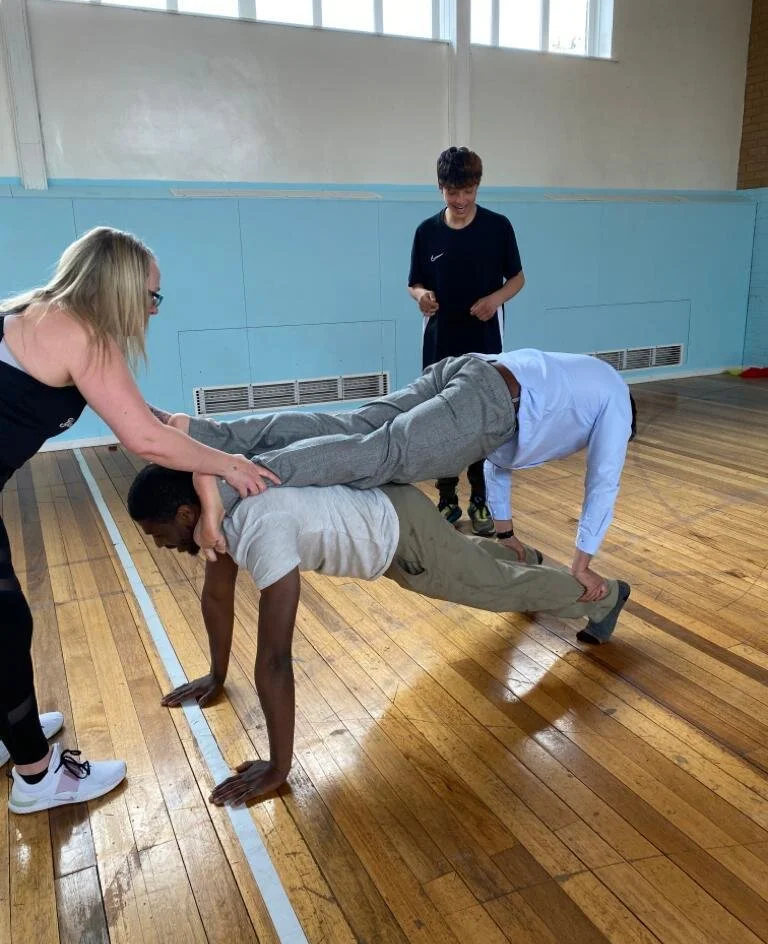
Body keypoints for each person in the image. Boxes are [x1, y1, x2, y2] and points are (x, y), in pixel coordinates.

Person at [127, 464, 631, 805]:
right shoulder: (225, 504)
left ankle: (606, 597)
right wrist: (215, 675)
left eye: (157, 533)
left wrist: (279, 768)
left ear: (187, 514)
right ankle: (526, 560)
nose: (161, 544)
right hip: (389, 511)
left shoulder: (259, 529)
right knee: (475, 567)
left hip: (399, 541)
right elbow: (217, 595)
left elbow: (276, 659)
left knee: (492, 588)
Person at [0, 227, 275, 814]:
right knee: (3, 627)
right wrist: (227, 464)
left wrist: (166, 420)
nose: (153, 308)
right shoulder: (82, 333)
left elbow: (137, 415)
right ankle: (35, 775)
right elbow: (146, 440)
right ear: (120, 289)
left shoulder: (46, 313)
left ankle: (11, 730)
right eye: (152, 295)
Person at [171, 348, 632, 602]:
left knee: (350, 426)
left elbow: (498, 455)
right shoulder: (614, 403)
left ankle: (201, 432)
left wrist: (506, 532)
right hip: (490, 402)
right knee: (376, 454)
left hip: (468, 370)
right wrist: (581, 565)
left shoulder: (585, 376)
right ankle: (229, 485)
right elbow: (603, 482)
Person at [408, 147, 525, 535]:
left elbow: (518, 280)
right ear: (440, 188)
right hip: (441, 339)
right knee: (441, 418)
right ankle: (446, 499)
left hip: (484, 339)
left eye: (468, 191)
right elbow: (414, 283)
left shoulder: (498, 227)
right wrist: (420, 296)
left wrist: (495, 300)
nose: (460, 201)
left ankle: (480, 498)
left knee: (481, 418)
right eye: (452, 192)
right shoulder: (426, 232)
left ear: (477, 186)